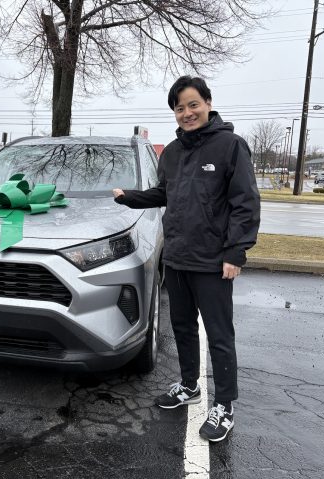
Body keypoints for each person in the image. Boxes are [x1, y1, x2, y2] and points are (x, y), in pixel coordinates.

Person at [113, 76, 260, 442]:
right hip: (176, 258)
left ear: (208, 103)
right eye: (180, 108)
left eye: (193, 105)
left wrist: (235, 252)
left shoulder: (231, 146)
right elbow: (164, 193)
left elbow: (245, 203)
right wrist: (129, 197)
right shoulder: (173, 153)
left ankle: (224, 405)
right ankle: (190, 385)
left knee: (219, 335)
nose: (187, 113)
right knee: (182, 327)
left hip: (212, 262)